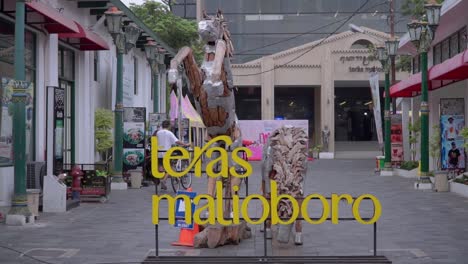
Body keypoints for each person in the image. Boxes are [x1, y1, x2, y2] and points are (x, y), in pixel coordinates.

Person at [156, 120, 191, 190]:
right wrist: (185, 144)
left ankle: (162, 180)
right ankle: (164, 180)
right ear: (169, 126)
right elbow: (176, 141)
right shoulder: (169, 133)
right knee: (171, 167)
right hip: (167, 153)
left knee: (161, 167)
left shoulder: (158, 133)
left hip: (159, 152)